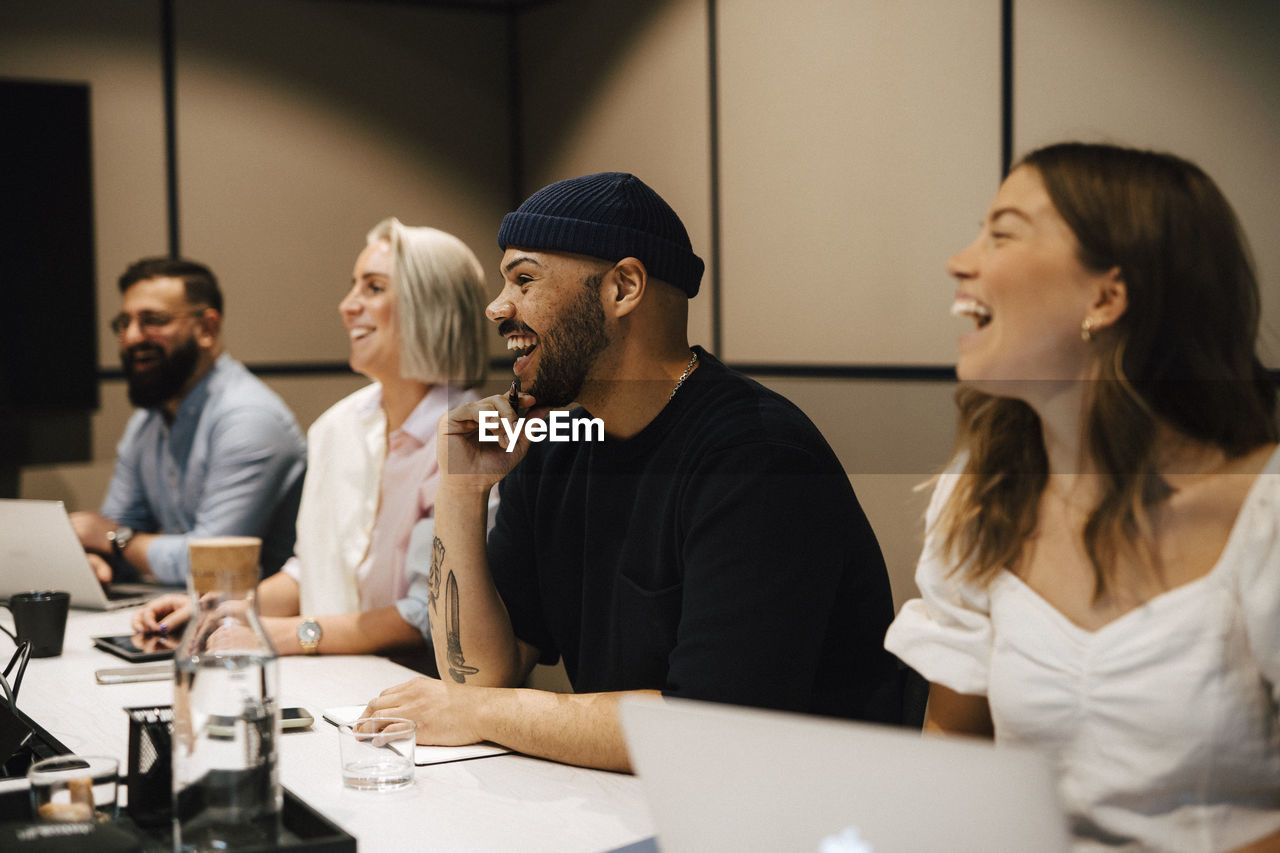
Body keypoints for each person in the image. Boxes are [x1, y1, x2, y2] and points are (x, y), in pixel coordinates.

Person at [363, 172, 903, 771]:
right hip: (650, 803)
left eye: (524, 279)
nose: (497, 307)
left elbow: (708, 730)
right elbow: (483, 671)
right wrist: (461, 489)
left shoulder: (758, 458)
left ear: (623, 288)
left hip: (808, 812)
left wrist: (482, 713)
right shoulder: (558, 442)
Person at [883, 143, 1280, 852]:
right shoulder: (978, 499)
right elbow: (955, 737)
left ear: (1106, 296)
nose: (960, 260)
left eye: (1001, 233)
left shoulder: (1265, 516)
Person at [133, 219, 493, 658]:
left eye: (373, 288)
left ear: (433, 307)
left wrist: (288, 636)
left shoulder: (474, 438)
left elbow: (427, 614)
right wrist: (218, 611)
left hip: (416, 694)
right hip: (328, 682)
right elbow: (308, 572)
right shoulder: (335, 426)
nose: (346, 306)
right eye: (353, 287)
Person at [71, 258, 306, 585]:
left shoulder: (249, 418)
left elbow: (215, 563)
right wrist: (98, 559)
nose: (132, 337)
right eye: (124, 323)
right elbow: (118, 526)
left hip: (259, 621)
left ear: (207, 329)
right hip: (181, 607)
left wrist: (116, 540)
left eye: (152, 320)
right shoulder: (146, 423)